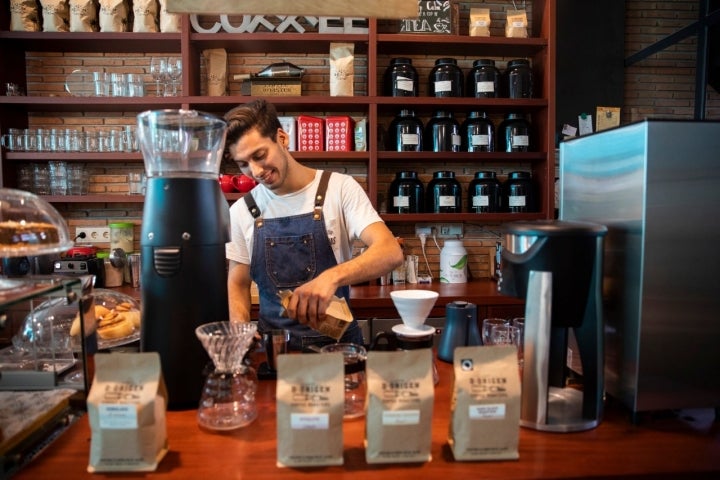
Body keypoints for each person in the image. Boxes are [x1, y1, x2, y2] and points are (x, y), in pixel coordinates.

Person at [223, 99, 404, 351]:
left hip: (339, 349)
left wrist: (330, 277)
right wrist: (239, 325)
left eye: (259, 155)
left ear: (282, 138)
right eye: (243, 164)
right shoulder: (242, 210)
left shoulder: (339, 189)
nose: (255, 171)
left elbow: (390, 252)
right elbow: (238, 280)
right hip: (275, 352)